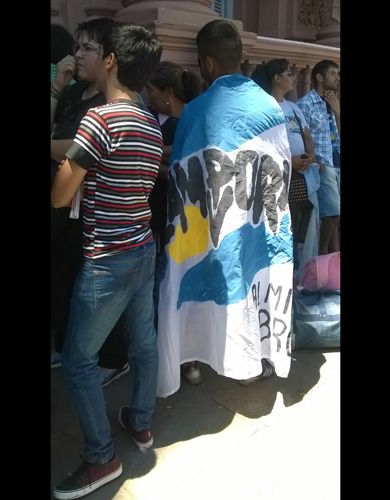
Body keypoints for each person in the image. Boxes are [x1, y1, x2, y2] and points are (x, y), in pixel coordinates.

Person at [51, 21, 163, 500]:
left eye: (95, 51)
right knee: (144, 344)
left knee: (77, 360)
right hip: (142, 247)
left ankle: (101, 458)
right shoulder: (149, 123)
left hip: (107, 258)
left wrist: (67, 166)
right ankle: (141, 423)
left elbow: (60, 196)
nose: (86, 57)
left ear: (112, 60)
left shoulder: (99, 120)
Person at [156, 19, 294, 398]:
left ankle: (194, 358)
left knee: (203, 285)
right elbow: (280, 170)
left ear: (208, 63)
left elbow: (182, 183)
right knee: (249, 283)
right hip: (256, 222)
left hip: (209, 223)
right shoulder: (270, 106)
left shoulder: (197, 112)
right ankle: (248, 363)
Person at [50, 18, 130, 387]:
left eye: (88, 48)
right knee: (62, 279)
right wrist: (56, 88)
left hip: (93, 213)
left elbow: (82, 148)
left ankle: (111, 358)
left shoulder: (110, 102)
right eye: (76, 47)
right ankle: (65, 345)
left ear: (109, 58)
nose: (78, 55)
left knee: (96, 294)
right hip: (63, 208)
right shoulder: (72, 95)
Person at [145, 61, 204, 385]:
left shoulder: (187, 123)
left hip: (179, 219)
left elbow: (184, 170)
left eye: (151, 90)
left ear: (167, 92)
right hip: (167, 218)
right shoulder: (161, 120)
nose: (147, 95)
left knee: (172, 287)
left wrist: (151, 158)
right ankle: (178, 355)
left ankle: (182, 356)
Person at [251, 58, 318, 272]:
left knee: (300, 222)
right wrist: (290, 161)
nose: (294, 78)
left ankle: (297, 269)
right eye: (289, 74)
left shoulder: (293, 108)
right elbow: (263, 145)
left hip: (301, 175)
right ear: (276, 78)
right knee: (280, 223)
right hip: (278, 176)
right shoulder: (264, 107)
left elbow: (306, 134)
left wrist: (310, 156)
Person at [297, 60, 341, 255]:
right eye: (333, 73)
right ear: (319, 77)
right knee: (332, 213)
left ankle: (331, 260)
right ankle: (321, 258)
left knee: (335, 217)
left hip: (336, 162)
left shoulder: (332, 102)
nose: (337, 78)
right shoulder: (305, 104)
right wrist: (314, 160)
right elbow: (300, 137)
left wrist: (337, 111)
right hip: (322, 166)